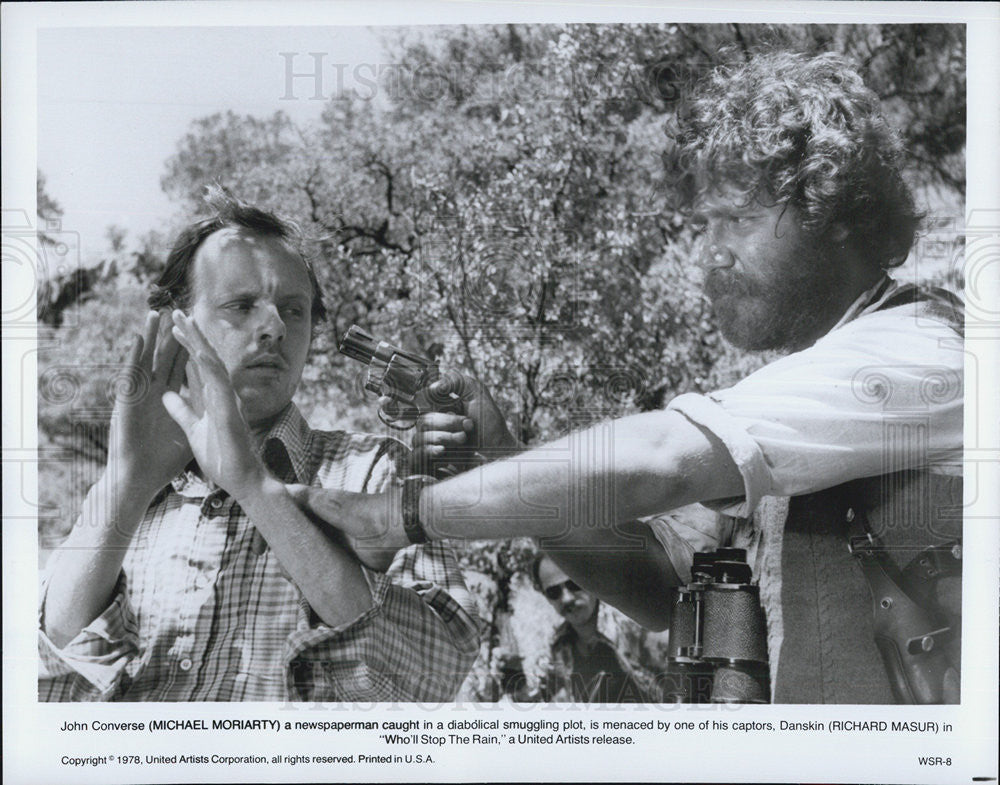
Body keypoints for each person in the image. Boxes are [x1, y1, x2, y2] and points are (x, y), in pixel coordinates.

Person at [289, 51, 964, 704]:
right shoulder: (790, 398)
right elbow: (655, 581)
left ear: (839, 214)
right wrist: (502, 455)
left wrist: (400, 515)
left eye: (741, 218)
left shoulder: (920, 347)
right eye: (705, 223)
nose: (711, 252)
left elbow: (660, 459)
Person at [38, 188, 480, 702]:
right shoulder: (135, 483)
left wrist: (253, 486)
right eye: (241, 305)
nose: (273, 327)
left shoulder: (371, 471)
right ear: (178, 324)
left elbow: (432, 676)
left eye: (294, 310)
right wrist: (126, 486)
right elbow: (53, 665)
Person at [530, 553, 652, 703]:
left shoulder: (635, 629)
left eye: (573, 584)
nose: (566, 598)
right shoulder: (557, 645)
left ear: (592, 580)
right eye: (554, 592)